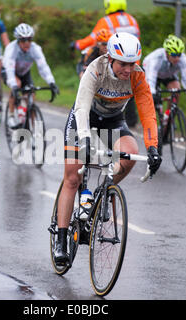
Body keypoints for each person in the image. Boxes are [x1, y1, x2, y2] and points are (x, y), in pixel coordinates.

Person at [53, 33, 162, 265]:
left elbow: (148, 113)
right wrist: (84, 138)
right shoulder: (95, 69)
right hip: (84, 118)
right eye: (123, 63)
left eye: (132, 64)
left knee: (130, 153)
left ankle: (101, 193)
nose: (127, 69)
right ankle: (61, 240)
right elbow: (81, 107)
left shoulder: (138, 77)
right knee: (73, 177)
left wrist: (153, 148)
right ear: (110, 58)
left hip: (113, 120)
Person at [70, 0, 141, 128]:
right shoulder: (132, 20)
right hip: (133, 64)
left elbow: (93, 38)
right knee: (129, 91)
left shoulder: (107, 21)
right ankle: (131, 121)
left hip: (117, 63)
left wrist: (76, 44)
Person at [2, 23, 59, 128]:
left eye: (29, 39)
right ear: (18, 40)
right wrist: (13, 86)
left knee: (31, 94)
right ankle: (10, 116)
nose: (27, 43)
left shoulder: (35, 49)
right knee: (17, 84)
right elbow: (9, 70)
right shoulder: (12, 49)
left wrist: (51, 82)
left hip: (24, 72)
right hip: (9, 71)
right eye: (23, 40)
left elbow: (43, 67)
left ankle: (34, 129)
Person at [143, 34, 186, 110]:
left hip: (167, 74)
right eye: (173, 55)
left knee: (176, 92)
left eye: (179, 54)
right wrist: (152, 93)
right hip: (150, 72)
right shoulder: (156, 59)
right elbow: (151, 78)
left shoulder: (183, 59)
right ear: (167, 53)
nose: (177, 58)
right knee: (152, 99)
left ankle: (169, 119)